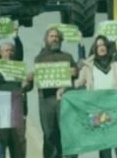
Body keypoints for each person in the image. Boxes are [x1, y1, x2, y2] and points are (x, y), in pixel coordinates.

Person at [75, 36, 117, 158]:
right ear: (95, 48)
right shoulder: (88, 66)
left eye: (103, 45)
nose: (101, 48)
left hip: (116, 107)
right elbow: (78, 83)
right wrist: (66, 85)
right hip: (97, 109)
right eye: (98, 46)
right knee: (103, 143)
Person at [33, 27, 77, 158]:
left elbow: (78, 75)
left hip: (65, 99)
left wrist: (75, 71)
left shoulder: (67, 57)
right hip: (46, 100)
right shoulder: (40, 58)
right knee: (49, 133)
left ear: (61, 40)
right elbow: (38, 77)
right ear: (46, 39)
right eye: (51, 36)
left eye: (57, 36)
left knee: (68, 132)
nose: (54, 39)